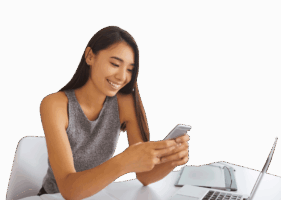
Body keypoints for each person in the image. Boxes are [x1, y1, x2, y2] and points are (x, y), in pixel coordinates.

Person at [38, 25, 190, 199]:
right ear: (89, 56)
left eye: (129, 69)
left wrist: (170, 160)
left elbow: (145, 176)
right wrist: (123, 162)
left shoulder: (124, 101)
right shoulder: (54, 104)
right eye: (115, 64)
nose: (122, 77)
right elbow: (68, 189)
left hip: (97, 195)